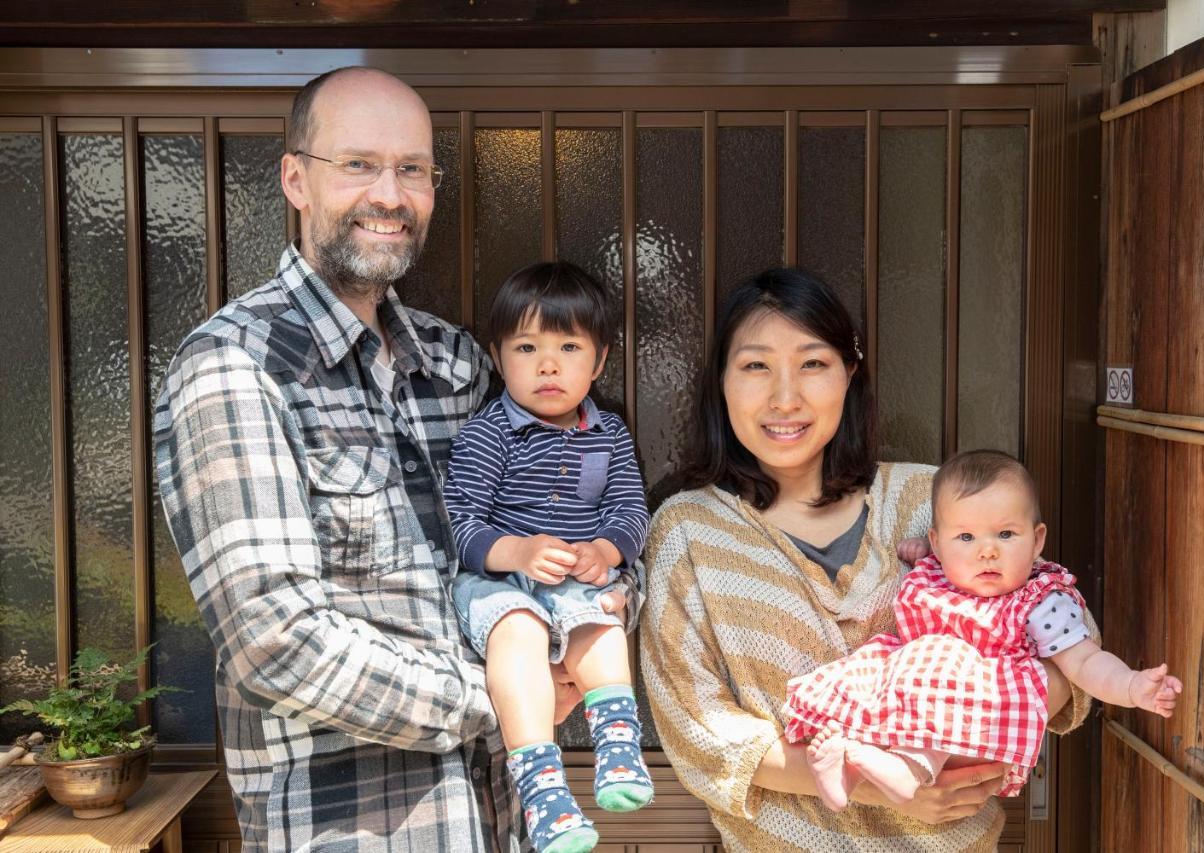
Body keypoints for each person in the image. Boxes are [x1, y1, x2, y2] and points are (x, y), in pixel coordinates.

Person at [153, 67, 628, 851]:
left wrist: (607, 594)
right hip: (350, 827)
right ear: (296, 179)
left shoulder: (457, 363)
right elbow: (276, 638)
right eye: (359, 164)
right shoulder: (236, 368)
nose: (390, 193)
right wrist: (497, 696)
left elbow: (561, 509)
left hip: (506, 817)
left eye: (413, 169)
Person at [639, 268, 1095, 851]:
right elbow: (697, 727)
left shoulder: (927, 501)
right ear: (721, 381)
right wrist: (880, 785)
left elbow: (1063, 627)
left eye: (813, 363)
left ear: (849, 375)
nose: (785, 397)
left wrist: (967, 742)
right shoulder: (688, 532)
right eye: (755, 366)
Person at [787, 450, 1182, 811]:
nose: (986, 550)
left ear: (1037, 540)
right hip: (909, 692)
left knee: (945, 683)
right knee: (859, 678)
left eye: (1006, 535)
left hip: (980, 711)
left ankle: (906, 770)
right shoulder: (939, 565)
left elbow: (1084, 661)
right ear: (938, 544)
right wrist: (919, 550)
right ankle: (849, 761)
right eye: (966, 537)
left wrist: (1131, 686)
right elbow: (930, 549)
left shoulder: (1040, 602)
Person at [443, 261, 654, 853]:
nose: (548, 365)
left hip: (574, 581)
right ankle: (541, 784)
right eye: (527, 347)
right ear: (498, 356)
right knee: (517, 632)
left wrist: (604, 551)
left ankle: (616, 747)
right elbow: (460, 526)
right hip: (499, 584)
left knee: (599, 623)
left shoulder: (609, 434)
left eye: (568, 347)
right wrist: (519, 550)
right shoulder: (490, 433)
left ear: (601, 359)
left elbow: (631, 513)